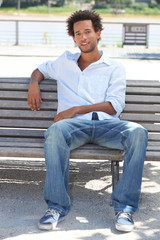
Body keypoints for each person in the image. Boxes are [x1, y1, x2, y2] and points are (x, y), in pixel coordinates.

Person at [27, 10, 148, 232]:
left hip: (106, 126)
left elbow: (113, 106)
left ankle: (125, 209)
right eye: (78, 33)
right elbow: (40, 70)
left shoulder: (114, 68)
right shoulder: (64, 62)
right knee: (54, 131)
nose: (83, 37)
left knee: (138, 132)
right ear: (73, 38)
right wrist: (34, 82)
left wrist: (76, 109)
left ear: (98, 33)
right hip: (72, 128)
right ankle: (56, 207)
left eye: (88, 32)